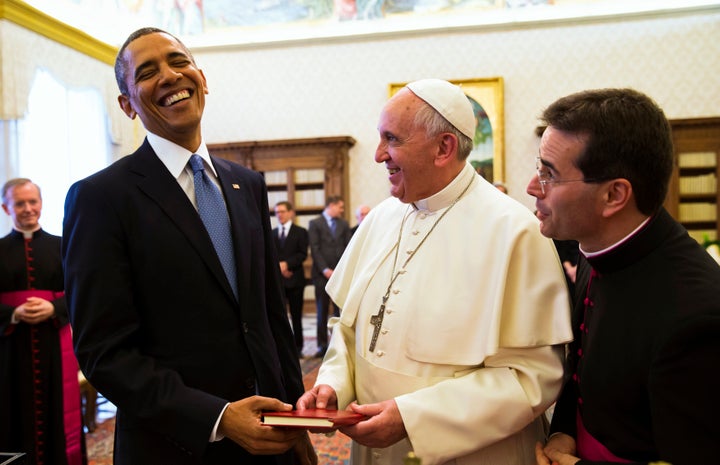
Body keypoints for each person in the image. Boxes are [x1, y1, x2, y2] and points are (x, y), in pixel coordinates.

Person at [61, 27, 315, 465]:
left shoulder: (247, 185)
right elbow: (105, 352)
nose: (169, 76)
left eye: (178, 62)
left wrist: (297, 424)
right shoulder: (101, 198)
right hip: (174, 445)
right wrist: (217, 417)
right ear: (127, 105)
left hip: (272, 440)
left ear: (201, 77)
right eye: (147, 71)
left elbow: (271, 316)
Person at [298, 78, 573, 465]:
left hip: (473, 454)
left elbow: (531, 376)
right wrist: (332, 385)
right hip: (373, 448)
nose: (378, 155)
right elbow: (349, 328)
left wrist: (414, 418)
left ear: (443, 147)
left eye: (391, 140)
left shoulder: (513, 231)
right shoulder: (380, 219)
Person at [528, 88, 720, 465]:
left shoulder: (698, 317)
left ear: (614, 195)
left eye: (549, 174)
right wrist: (564, 431)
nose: (532, 187)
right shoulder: (596, 245)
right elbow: (581, 366)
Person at [0, 178, 86, 465]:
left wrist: (54, 308)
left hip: (54, 346)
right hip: (9, 349)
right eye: (19, 203)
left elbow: (82, 292)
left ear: (41, 203)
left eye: (32, 201)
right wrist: (13, 314)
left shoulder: (64, 246)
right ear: (5, 208)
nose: (28, 209)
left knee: (56, 410)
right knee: (11, 411)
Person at [307, 195, 351, 358]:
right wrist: (325, 269)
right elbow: (315, 248)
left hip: (340, 274)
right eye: (340, 207)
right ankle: (322, 346)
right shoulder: (315, 223)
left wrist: (340, 271)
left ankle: (339, 345)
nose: (342, 210)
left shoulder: (343, 224)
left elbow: (348, 248)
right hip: (321, 275)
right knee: (321, 310)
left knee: (339, 311)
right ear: (331, 206)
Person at [273, 201, 309, 356]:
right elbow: (268, 255)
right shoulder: (272, 233)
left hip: (295, 280)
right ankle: (281, 348)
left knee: (296, 316)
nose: (279, 215)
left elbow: (302, 254)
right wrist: (279, 268)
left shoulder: (301, 232)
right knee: (279, 317)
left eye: (282, 211)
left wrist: (287, 265)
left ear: (290, 213)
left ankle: (298, 347)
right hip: (277, 281)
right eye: (277, 212)